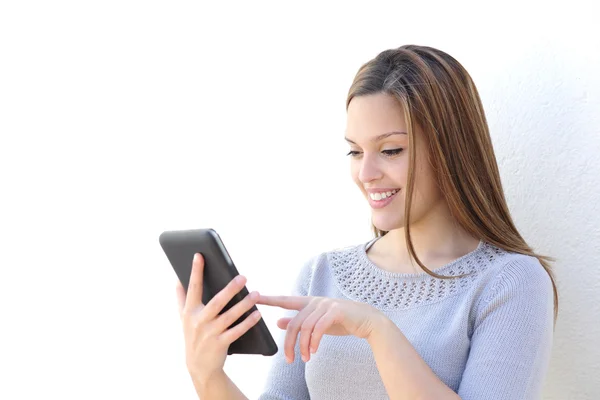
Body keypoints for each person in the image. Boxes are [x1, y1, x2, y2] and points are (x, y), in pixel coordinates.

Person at [175, 44, 558, 400]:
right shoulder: (322, 274)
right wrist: (206, 375)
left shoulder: (510, 283)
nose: (366, 173)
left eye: (390, 150)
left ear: (451, 151)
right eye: (355, 151)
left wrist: (378, 331)